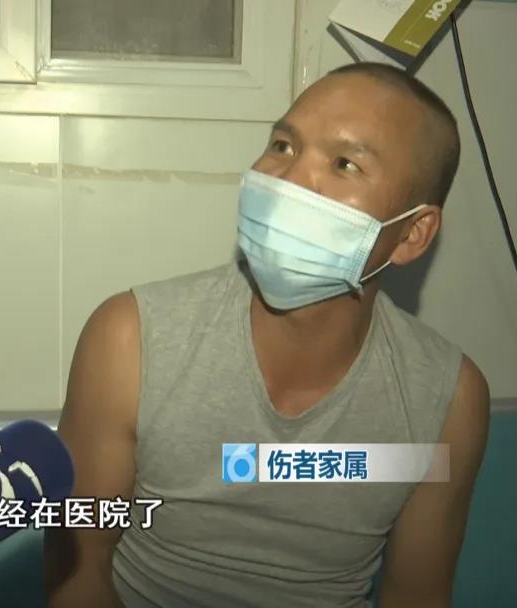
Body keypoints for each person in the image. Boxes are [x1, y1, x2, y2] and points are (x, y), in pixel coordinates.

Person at [44, 62, 491, 608]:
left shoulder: (446, 399)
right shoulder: (131, 339)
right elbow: (77, 569)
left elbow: (417, 594)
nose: (290, 178)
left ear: (413, 234)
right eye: (283, 145)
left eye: (345, 163)